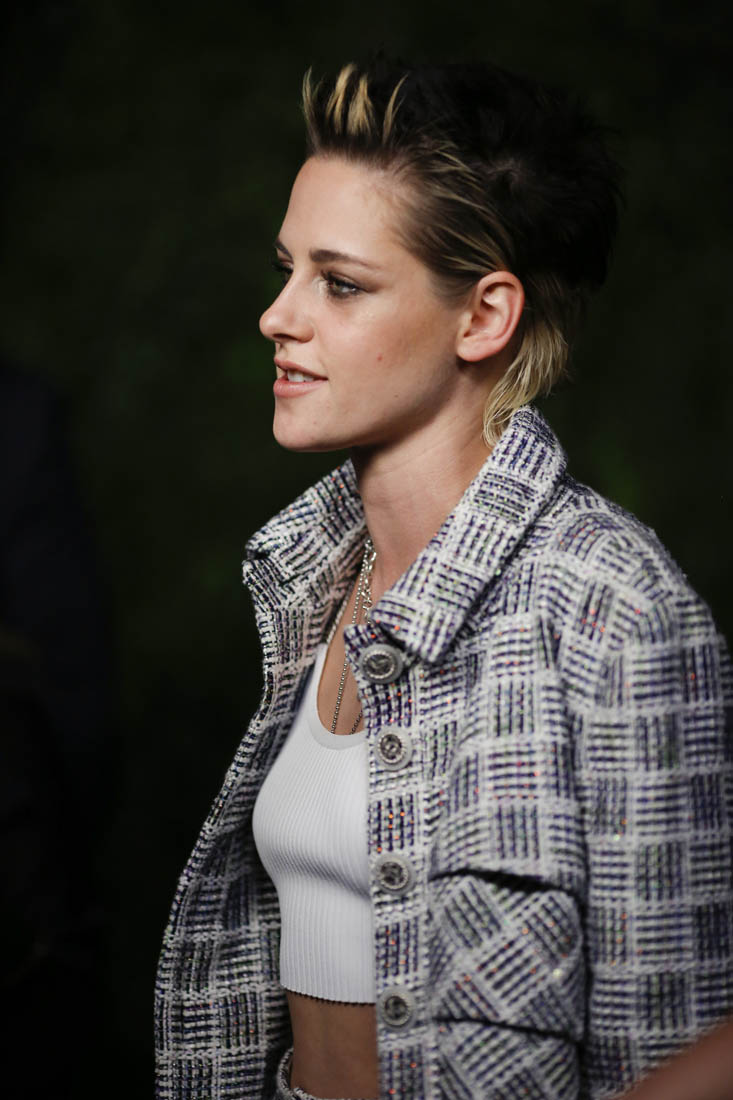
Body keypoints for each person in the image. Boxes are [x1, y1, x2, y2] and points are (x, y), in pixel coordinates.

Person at [155, 60, 733, 1100]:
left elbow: (677, 1034)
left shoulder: (610, 607)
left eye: (340, 282)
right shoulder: (310, 574)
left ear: (483, 316)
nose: (277, 316)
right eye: (286, 269)